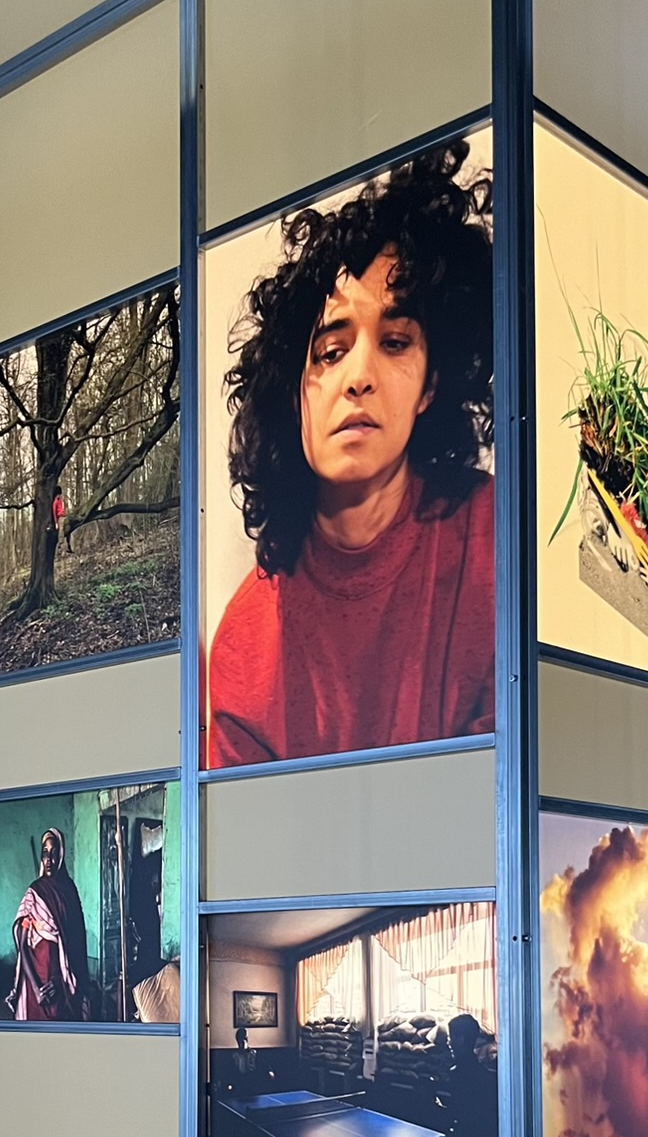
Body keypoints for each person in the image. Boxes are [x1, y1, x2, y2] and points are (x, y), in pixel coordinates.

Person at [207, 139, 495, 767]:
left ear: (431, 385)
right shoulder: (243, 646)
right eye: (331, 351)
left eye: (394, 342)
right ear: (293, 389)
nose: (358, 375)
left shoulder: (494, 542)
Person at [7, 827, 93, 1020]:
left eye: (54, 853)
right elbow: (22, 944)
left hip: (62, 980)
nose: (49, 859)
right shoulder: (34, 893)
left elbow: (77, 941)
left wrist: (61, 979)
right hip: (36, 979)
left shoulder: (69, 891)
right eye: (45, 853)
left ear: (61, 855)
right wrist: (37, 988)